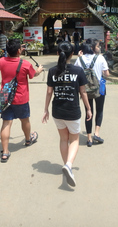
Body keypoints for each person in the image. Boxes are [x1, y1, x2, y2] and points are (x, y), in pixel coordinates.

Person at [42, 41, 92, 187]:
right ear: (73, 54)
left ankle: (66, 165)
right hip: (72, 111)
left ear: (58, 53)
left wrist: (45, 109)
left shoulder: (52, 71)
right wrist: (88, 108)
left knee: (64, 139)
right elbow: (83, 92)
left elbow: (49, 92)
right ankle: (69, 166)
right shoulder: (78, 71)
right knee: (74, 140)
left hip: (57, 111)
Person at [0, 39, 44, 162]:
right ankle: (28, 139)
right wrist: (39, 69)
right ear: (19, 50)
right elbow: (33, 75)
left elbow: (6, 61)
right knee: (25, 120)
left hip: (6, 98)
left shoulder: (1, 61)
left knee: (6, 123)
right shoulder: (25, 64)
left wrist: (15, 51)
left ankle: (5, 152)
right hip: (21, 98)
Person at [74, 38, 110, 147]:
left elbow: (76, 73)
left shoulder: (79, 60)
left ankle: (89, 138)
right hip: (100, 88)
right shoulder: (100, 58)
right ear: (93, 48)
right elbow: (107, 74)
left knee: (88, 113)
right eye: (98, 46)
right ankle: (97, 133)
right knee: (100, 110)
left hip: (85, 90)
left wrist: (80, 58)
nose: (99, 48)